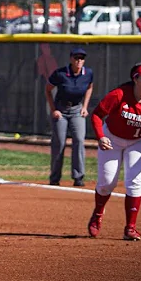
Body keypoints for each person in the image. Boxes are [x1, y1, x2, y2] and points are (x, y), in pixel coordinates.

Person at [87, 62, 141, 241]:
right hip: (112, 138)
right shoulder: (119, 95)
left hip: (138, 142)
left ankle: (130, 228)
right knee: (107, 183)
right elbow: (97, 114)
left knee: (135, 182)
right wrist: (100, 136)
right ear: (135, 79)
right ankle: (98, 213)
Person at [45, 47, 93, 187]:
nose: (79, 61)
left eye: (82, 58)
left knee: (79, 140)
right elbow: (48, 90)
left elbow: (90, 87)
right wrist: (53, 109)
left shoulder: (88, 73)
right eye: (76, 58)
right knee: (59, 142)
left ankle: (78, 177)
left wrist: (85, 107)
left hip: (77, 109)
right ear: (71, 59)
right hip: (61, 109)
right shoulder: (61, 73)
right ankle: (54, 178)